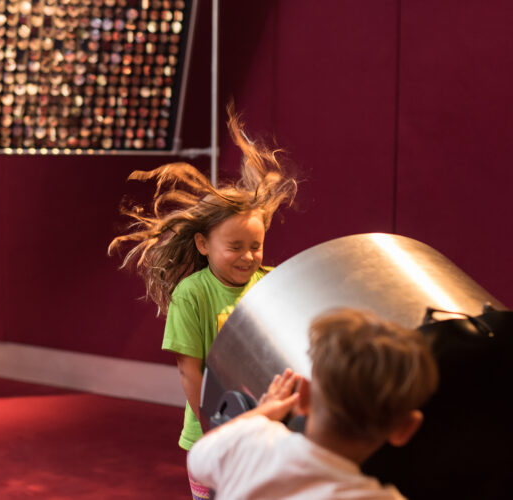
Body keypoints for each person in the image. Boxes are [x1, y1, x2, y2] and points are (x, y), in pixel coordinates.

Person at [108, 105, 297, 499]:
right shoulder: (192, 293)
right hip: (213, 433)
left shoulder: (273, 281)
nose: (248, 256)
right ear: (203, 244)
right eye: (235, 247)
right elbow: (189, 371)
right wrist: (214, 425)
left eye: (256, 246)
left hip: (268, 429)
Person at [187, 308, 440, 500]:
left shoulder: (251, 441)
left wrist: (263, 412)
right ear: (406, 428)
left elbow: (199, 457)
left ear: (303, 397)